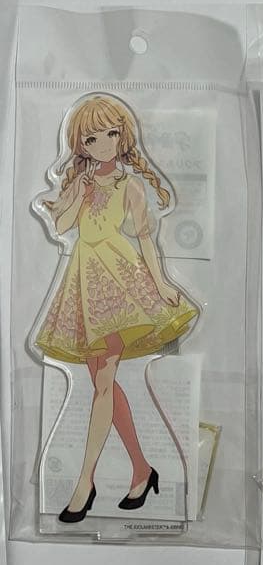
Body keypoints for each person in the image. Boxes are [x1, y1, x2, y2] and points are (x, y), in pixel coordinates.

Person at [32, 95, 198, 522]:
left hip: (120, 278)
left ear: (123, 136)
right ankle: (141, 469)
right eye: (92, 138)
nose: (104, 144)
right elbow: (62, 227)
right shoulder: (82, 182)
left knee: (103, 383)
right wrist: (76, 193)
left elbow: (146, 239)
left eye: (111, 134)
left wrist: (161, 285)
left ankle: (84, 483)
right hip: (83, 278)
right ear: (80, 144)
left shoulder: (131, 186)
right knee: (102, 383)